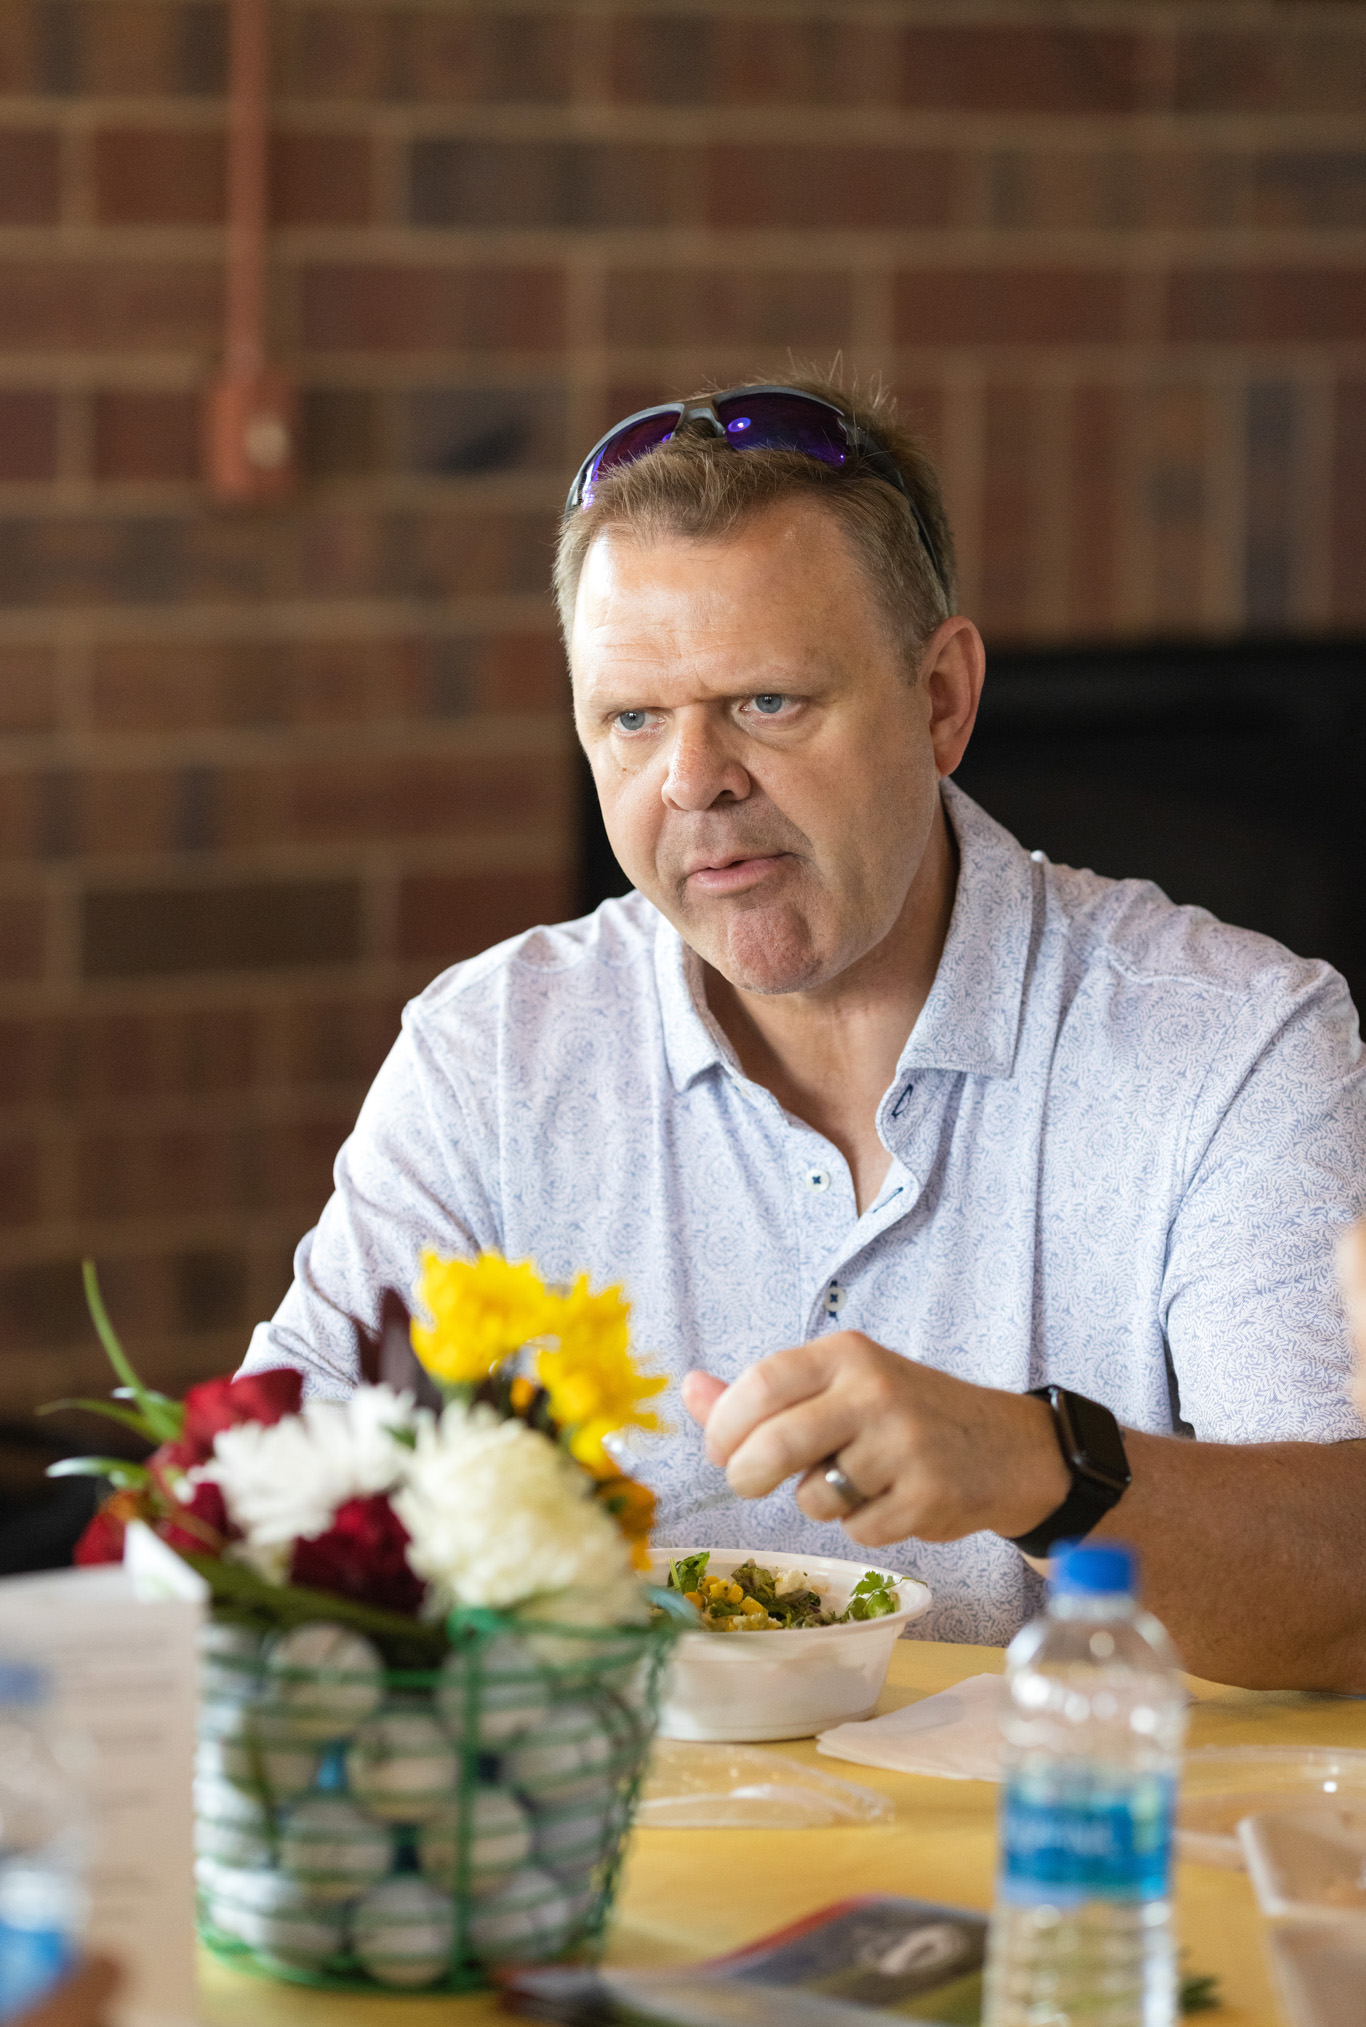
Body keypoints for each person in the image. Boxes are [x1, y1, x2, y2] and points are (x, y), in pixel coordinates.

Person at [241, 377, 1366, 1688]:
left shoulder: (1235, 1042)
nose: (693, 780)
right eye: (632, 719)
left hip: (1070, 1812)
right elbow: (261, 1498)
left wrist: (1036, 1466)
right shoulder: (492, 1054)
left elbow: (1344, 1592)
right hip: (614, 1808)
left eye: (767, 702)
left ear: (941, 700)